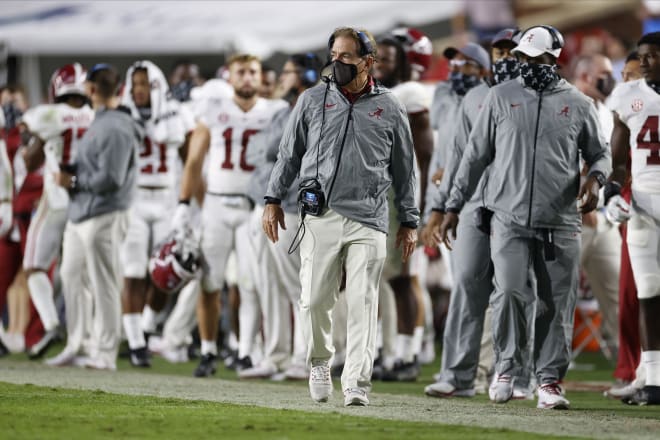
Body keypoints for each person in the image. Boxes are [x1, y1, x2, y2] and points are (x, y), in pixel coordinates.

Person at [439, 25, 611, 409]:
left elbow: (600, 153)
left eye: (537, 59)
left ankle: (548, 381)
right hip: (509, 217)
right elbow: (474, 157)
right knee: (511, 292)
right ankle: (506, 366)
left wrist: (596, 180)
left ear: (555, 60)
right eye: (523, 58)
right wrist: (452, 206)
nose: (528, 65)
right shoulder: (500, 97)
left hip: (561, 220)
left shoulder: (578, 104)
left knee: (556, 303)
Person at [262, 27, 419, 407]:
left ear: (369, 62)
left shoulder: (391, 106)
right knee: (315, 299)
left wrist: (411, 220)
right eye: (334, 54)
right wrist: (272, 198)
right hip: (320, 215)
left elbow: (405, 168)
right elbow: (289, 153)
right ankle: (319, 362)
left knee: (364, 299)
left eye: (347, 56)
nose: (338, 62)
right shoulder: (312, 100)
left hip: (369, 216)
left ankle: (356, 383)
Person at [423, 28, 536, 400]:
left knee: (516, 292)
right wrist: (441, 207)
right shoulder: (474, 96)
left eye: (510, 51)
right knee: (467, 285)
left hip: (517, 205)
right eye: (498, 52)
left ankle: (518, 377)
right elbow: (457, 155)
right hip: (473, 203)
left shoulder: (539, 94)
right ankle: (457, 375)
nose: (504, 58)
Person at [172, 54, 287, 378]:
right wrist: (183, 203)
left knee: (250, 284)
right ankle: (209, 351)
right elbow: (194, 160)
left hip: (254, 207)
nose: (248, 78)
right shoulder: (212, 110)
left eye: (253, 72)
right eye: (241, 72)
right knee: (209, 281)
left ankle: (246, 351)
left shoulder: (275, 112)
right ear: (230, 77)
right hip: (216, 206)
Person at [51, 64, 143, 370]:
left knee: (103, 281)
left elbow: (112, 179)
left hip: (105, 211)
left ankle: (105, 352)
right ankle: (79, 343)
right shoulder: (102, 120)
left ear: (91, 89)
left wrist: (75, 182)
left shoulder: (116, 125)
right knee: (71, 276)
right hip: (83, 211)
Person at [238, 53, 324, 380]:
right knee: (268, 285)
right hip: (267, 205)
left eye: (288, 72)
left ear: (307, 73)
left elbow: (282, 151)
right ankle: (275, 356)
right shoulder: (281, 111)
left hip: (292, 208)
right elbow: (256, 151)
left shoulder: (316, 108)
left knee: (298, 286)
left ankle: (306, 358)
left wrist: (269, 150)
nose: (281, 78)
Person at [118, 60, 195, 368]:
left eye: (144, 84)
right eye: (134, 84)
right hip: (135, 199)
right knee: (134, 272)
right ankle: (136, 343)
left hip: (166, 198)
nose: (138, 91)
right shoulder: (123, 116)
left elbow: (190, 160)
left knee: (165, 274)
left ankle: (146, 329)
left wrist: (186, 202)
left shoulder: (178, 113)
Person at [370, 28, 434, 381]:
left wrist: (421, 210)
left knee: (405, 278)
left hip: (401, 197)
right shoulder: (376, 93)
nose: (380, 64)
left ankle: (409, 355)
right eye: (377, 57)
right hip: (376, 197)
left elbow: (425, 155)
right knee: (378, 277)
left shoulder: (410, 93)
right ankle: (382, 351)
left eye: (388, 58)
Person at [605, 31, 660, 405]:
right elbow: (618, 152)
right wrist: (611, 190)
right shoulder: (628, 95)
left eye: (654, 55)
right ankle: (654, 379)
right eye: (643, 56)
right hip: (642, 202)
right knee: (649, 290)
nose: (646, 62)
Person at [572, 54, 621, 357]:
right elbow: (564, 158)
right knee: (553, 295)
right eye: (604, 73)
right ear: (588, 76)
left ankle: (630, 368)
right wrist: (580, 199)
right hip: (573, 217)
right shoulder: (570, 104)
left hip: (604, 217)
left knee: (618, 294)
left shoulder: (606, 108)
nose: (610, 78)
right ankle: (535, 370)